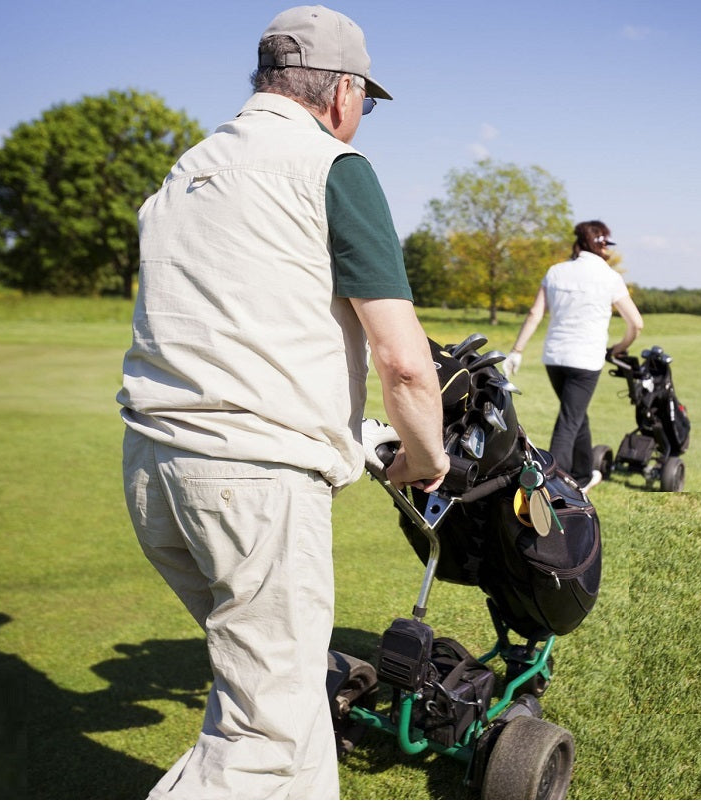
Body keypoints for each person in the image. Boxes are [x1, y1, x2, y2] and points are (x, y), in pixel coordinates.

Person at [116, 5, 449, 798]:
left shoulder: (190, 166)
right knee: (260, 733)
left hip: (152, 470)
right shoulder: (333, 167)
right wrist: (427, 458)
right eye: (365, 101)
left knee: (291, 696)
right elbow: (406, 363)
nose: (361, 118)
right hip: (253, 482)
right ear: (341, 92)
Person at [503, 220, 644, 491]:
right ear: (601, 245)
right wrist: (620, 347)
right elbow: (636, 323)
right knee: (569, 419)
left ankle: (582, 473)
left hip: (554, 359)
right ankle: (552, 486)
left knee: (576, 413)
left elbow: (535, 314)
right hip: (586, 361)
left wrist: (516, 351)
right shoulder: (610, 277)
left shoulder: (555, 271)